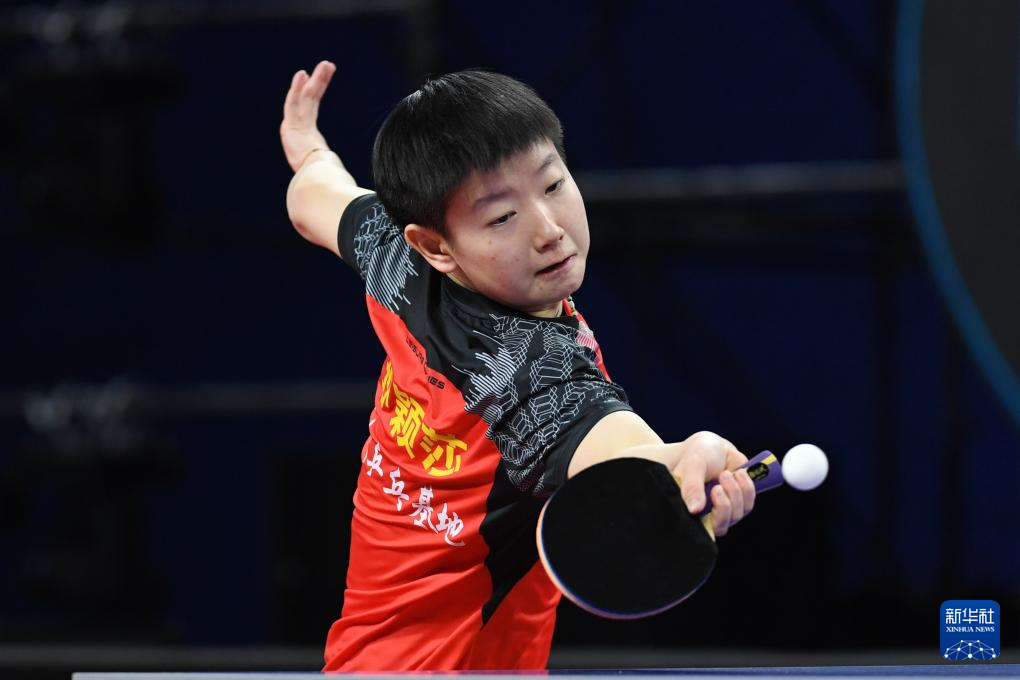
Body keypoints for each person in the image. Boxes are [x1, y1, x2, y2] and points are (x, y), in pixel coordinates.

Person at [280, 60, 758, 672]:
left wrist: (309, 148)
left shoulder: (396, 259)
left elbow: (314, 199)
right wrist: (679, 459)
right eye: (502, 217)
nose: (549, 230)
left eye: (553, 185)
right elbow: (603, 440)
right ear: (436, 246)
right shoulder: (523, 368)